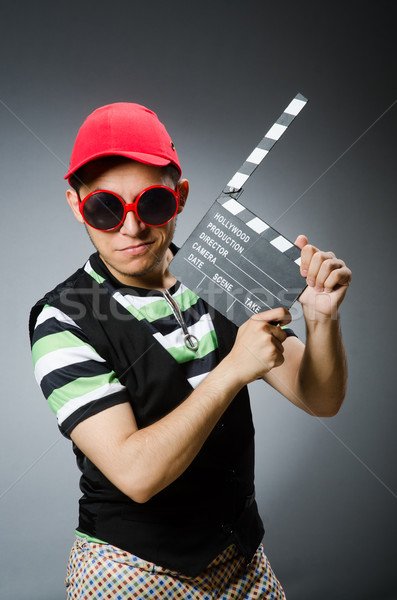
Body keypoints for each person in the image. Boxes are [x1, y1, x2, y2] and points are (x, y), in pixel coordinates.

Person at [29, 102, 351, 599]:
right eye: (105, 209)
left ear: (179, 198)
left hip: (240, 559)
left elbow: (319, 398)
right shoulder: (62, 320)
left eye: (152, 203)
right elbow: (136, 475)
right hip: (130, 570)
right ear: (77, 205)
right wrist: (230, 371)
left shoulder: (218, 275)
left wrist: (322, 319)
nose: (131, 228)